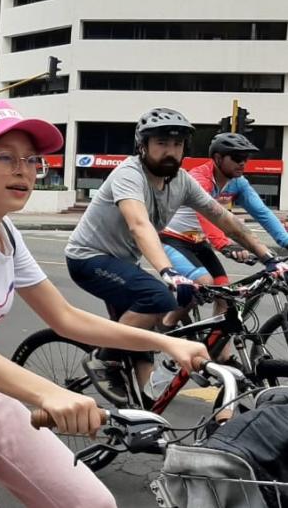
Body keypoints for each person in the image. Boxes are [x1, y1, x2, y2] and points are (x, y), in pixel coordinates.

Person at [0, 100, 209, 508]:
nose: (23, 169)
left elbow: (64, 317)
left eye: (31, 160)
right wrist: (48, 394)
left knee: (91, 503)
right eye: (5, 157)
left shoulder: (6, 232)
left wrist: (167, 343)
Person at [64, 108, 288, 405]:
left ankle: (146, 415)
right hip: (89, 259)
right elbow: (139, 224)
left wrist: (267, 256)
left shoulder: (180, 181)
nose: (170, 151)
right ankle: (104, 359)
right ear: (142, 146)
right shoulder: (129, 175)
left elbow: (222, 218)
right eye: (161, 144)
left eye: (177, 145)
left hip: (123, 264)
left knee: (142, 343)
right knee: (158, 299)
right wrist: (169, 272)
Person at [161, 132, 288, 305]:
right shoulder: (199, 179)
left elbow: (263, 213)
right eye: (237, 157)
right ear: (218, 158)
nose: (243, 162)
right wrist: (225, 245)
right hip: (172, 240)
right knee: (205, 284)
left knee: (224, 295)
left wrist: (286, 242)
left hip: (199, 242)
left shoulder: (238, 183)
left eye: (246, 158)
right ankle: (165, 327)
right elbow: (206, 214)